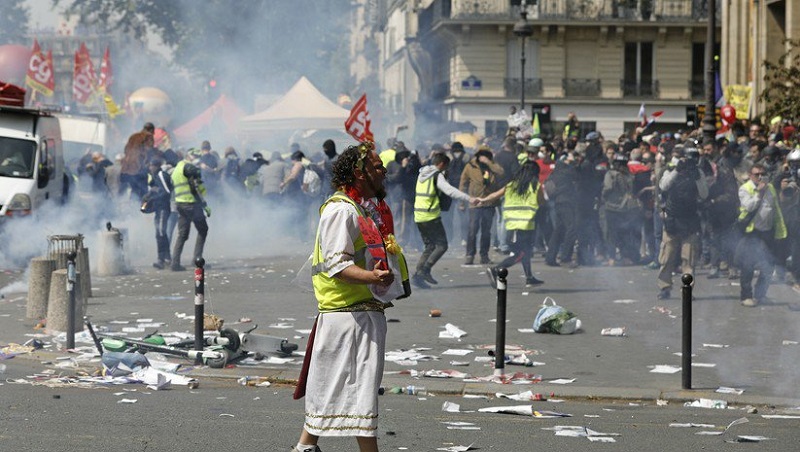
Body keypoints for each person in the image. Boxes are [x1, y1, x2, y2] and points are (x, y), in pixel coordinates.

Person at [294, 143, 396, 452]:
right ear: (359, 173)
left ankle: (304, 448)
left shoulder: (358, 208)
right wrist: (373, 277)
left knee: (337, 389)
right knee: (359, 393)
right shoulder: (341, 210)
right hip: (349, 316)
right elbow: (338, 266)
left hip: (356, 314)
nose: (384, 172)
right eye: (377, 167)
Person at [412, 153, 477, 289]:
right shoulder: (437, 175)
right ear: (441, 164)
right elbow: (450, 191)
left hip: (419, 215)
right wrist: (468, 198)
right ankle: (425, 270)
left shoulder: (422, 174)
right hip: (430, 217)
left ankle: (417, 276)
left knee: (429, 246)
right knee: (442, 245)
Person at [483, 160, 546, 287]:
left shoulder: (511, 185)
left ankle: (529, 277)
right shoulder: (535, 186)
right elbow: (542, 203)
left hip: (512, 226)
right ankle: (496, 269)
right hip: (526, 226)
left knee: (525, 251)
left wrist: (482, 200)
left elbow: (496, 195)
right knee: (521, 253)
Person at [656, 146, 708, 299]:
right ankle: (664, 287)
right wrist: (677, 171)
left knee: (689, 259)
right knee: (667, 257)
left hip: (690, 220)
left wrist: (697, 177)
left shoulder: (698, 173)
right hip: (673, 218)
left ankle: (687, 289)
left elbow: (704, 194)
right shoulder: (671, 169)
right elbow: (663, 186)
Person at [735, 163, 787, 307]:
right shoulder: (745, 189)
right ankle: (746, 296)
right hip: (752, 232)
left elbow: (775, 209)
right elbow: (748, 206)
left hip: (768, 232)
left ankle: (760, 294)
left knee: (768, 265)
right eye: (756, 174)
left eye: (762, 174)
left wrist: (780, 230)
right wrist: (759, 193)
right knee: (748, 265)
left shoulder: (770, 188)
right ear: (751, 176)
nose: (760, 177)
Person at [459, 146, 504, 265]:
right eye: (482, 155)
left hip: (489, 202)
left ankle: (484, 256)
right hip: (474, 203)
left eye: (486, 155)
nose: (483, 158)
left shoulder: (492, 166)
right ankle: (470, 255)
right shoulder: (470, 166)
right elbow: (463, 183)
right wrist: (462, 202)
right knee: (473, 230)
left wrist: (489, 163)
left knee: (486, 231)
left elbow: (501, 172)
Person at [170, 151, 210, 271]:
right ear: (189, 157)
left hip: (180, 204)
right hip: (192, 204)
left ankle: (175, 263)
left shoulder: (176, 169)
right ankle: (196, 260)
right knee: (203, 230)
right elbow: (195, 188)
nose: (197, 160)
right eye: (196, 157)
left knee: (182, 234)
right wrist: (203, 204)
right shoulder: (189, 167)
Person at [144, 157, 173, 269]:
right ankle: (166, 257)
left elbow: (167, 192)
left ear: (157, 166)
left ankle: (161, 259)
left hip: (163, 208)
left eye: (152, 165)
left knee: (161, 232)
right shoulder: (154, 177)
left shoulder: (161, 175)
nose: (150, 167)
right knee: (159, 233)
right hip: (158, 208)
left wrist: (153, 198)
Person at [120, 122, 154, 200]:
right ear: (151, 130)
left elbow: (126, 150)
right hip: (138, 169)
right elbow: (148, 152)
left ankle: (131, 207)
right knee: (142, 191)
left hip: (126, 169)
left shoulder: (133, 136)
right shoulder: (149, 136)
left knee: (133, 190)